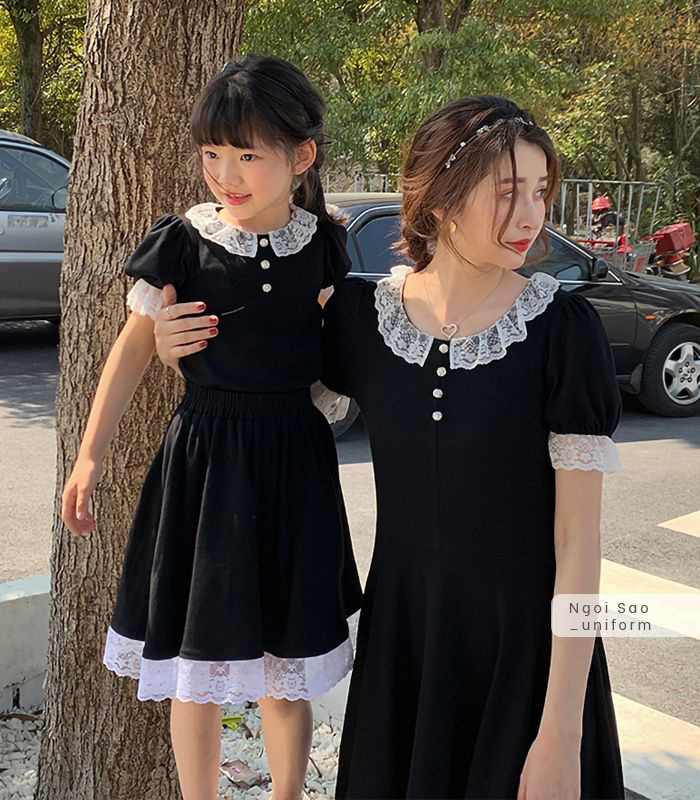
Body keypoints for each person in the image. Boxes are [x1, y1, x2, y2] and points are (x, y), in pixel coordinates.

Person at [153, 95, 626, 799]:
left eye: (539, 191)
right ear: (440, 194)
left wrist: (561, 727)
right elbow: (257, 381)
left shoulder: (562, 329)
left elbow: (580, 543)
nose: (530, 215)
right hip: (403, 641)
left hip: (526, 656)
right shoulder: (361, 317)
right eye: (506, 192)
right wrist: (173, 347)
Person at [61, 54, 362, 800]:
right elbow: (131, 352)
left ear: (301, 156)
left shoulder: (325, 245)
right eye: (212, 154)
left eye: (247, 156)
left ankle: (287, 794)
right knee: (193, 665)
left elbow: (342, 358)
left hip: (295, 465)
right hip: (205, 464)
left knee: (286, 667)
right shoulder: (183, 244)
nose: (227, 174)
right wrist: (90, 455)